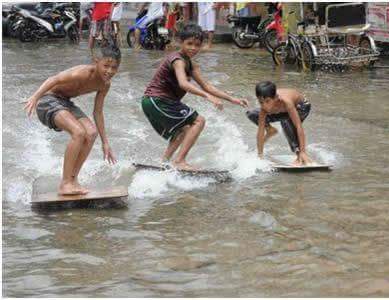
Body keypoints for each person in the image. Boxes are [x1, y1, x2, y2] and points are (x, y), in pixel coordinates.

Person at [141, 24, 248, 170]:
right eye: (189, 44)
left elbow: (207, 86)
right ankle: (179, 161)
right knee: (199, 121)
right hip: (157, 100)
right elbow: (183, 83)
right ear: (181, 42)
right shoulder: (177, 60)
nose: (193, 48)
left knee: (183, 131)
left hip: (156, 101)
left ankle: (164, 162)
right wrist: (207, 97)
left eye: (197, 45)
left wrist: (232, 99)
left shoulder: (192, 65)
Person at [24, 44, 121, 195]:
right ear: (96, 61)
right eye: (106, 66)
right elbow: (54, 79)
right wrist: (35, 97)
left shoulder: (105, 85)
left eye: (114, 67)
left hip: (65, 103)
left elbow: (98, 112)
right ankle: (65, 184)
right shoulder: (81, 73)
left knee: (91, 132)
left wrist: (105, 142)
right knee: (78, 132)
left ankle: (72, 180)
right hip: (47, 100)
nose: (109, 71)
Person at [246, 81, 313, 166]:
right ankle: (270, 130)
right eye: (261, 102)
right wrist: (260, 155)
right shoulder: (264, 109)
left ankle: (300, 155)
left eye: (267, 101)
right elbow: (260, 132)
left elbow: (298, 126)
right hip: (283, 111)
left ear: (276, 98)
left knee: (286, 122)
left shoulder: (286, 102)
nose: (264, 106)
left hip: (301, 107)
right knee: (252, 114)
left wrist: (303, 151)